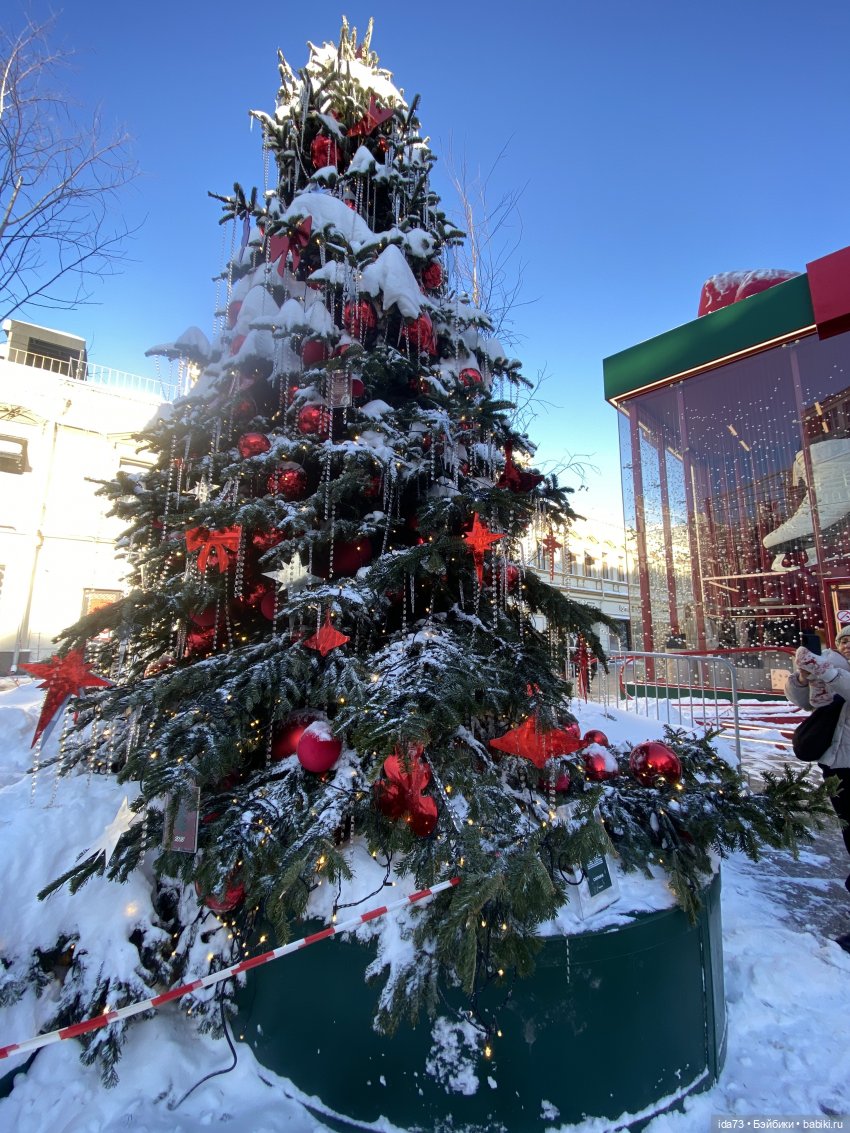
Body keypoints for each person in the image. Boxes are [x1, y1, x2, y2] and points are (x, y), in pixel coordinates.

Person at [786, 627, 850, 952]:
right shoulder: (833, 669)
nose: (848, 645)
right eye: (844, 640)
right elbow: (804, 704)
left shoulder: (837, 671)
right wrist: (802, 676)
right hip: (836, 765)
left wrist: (828, 670)